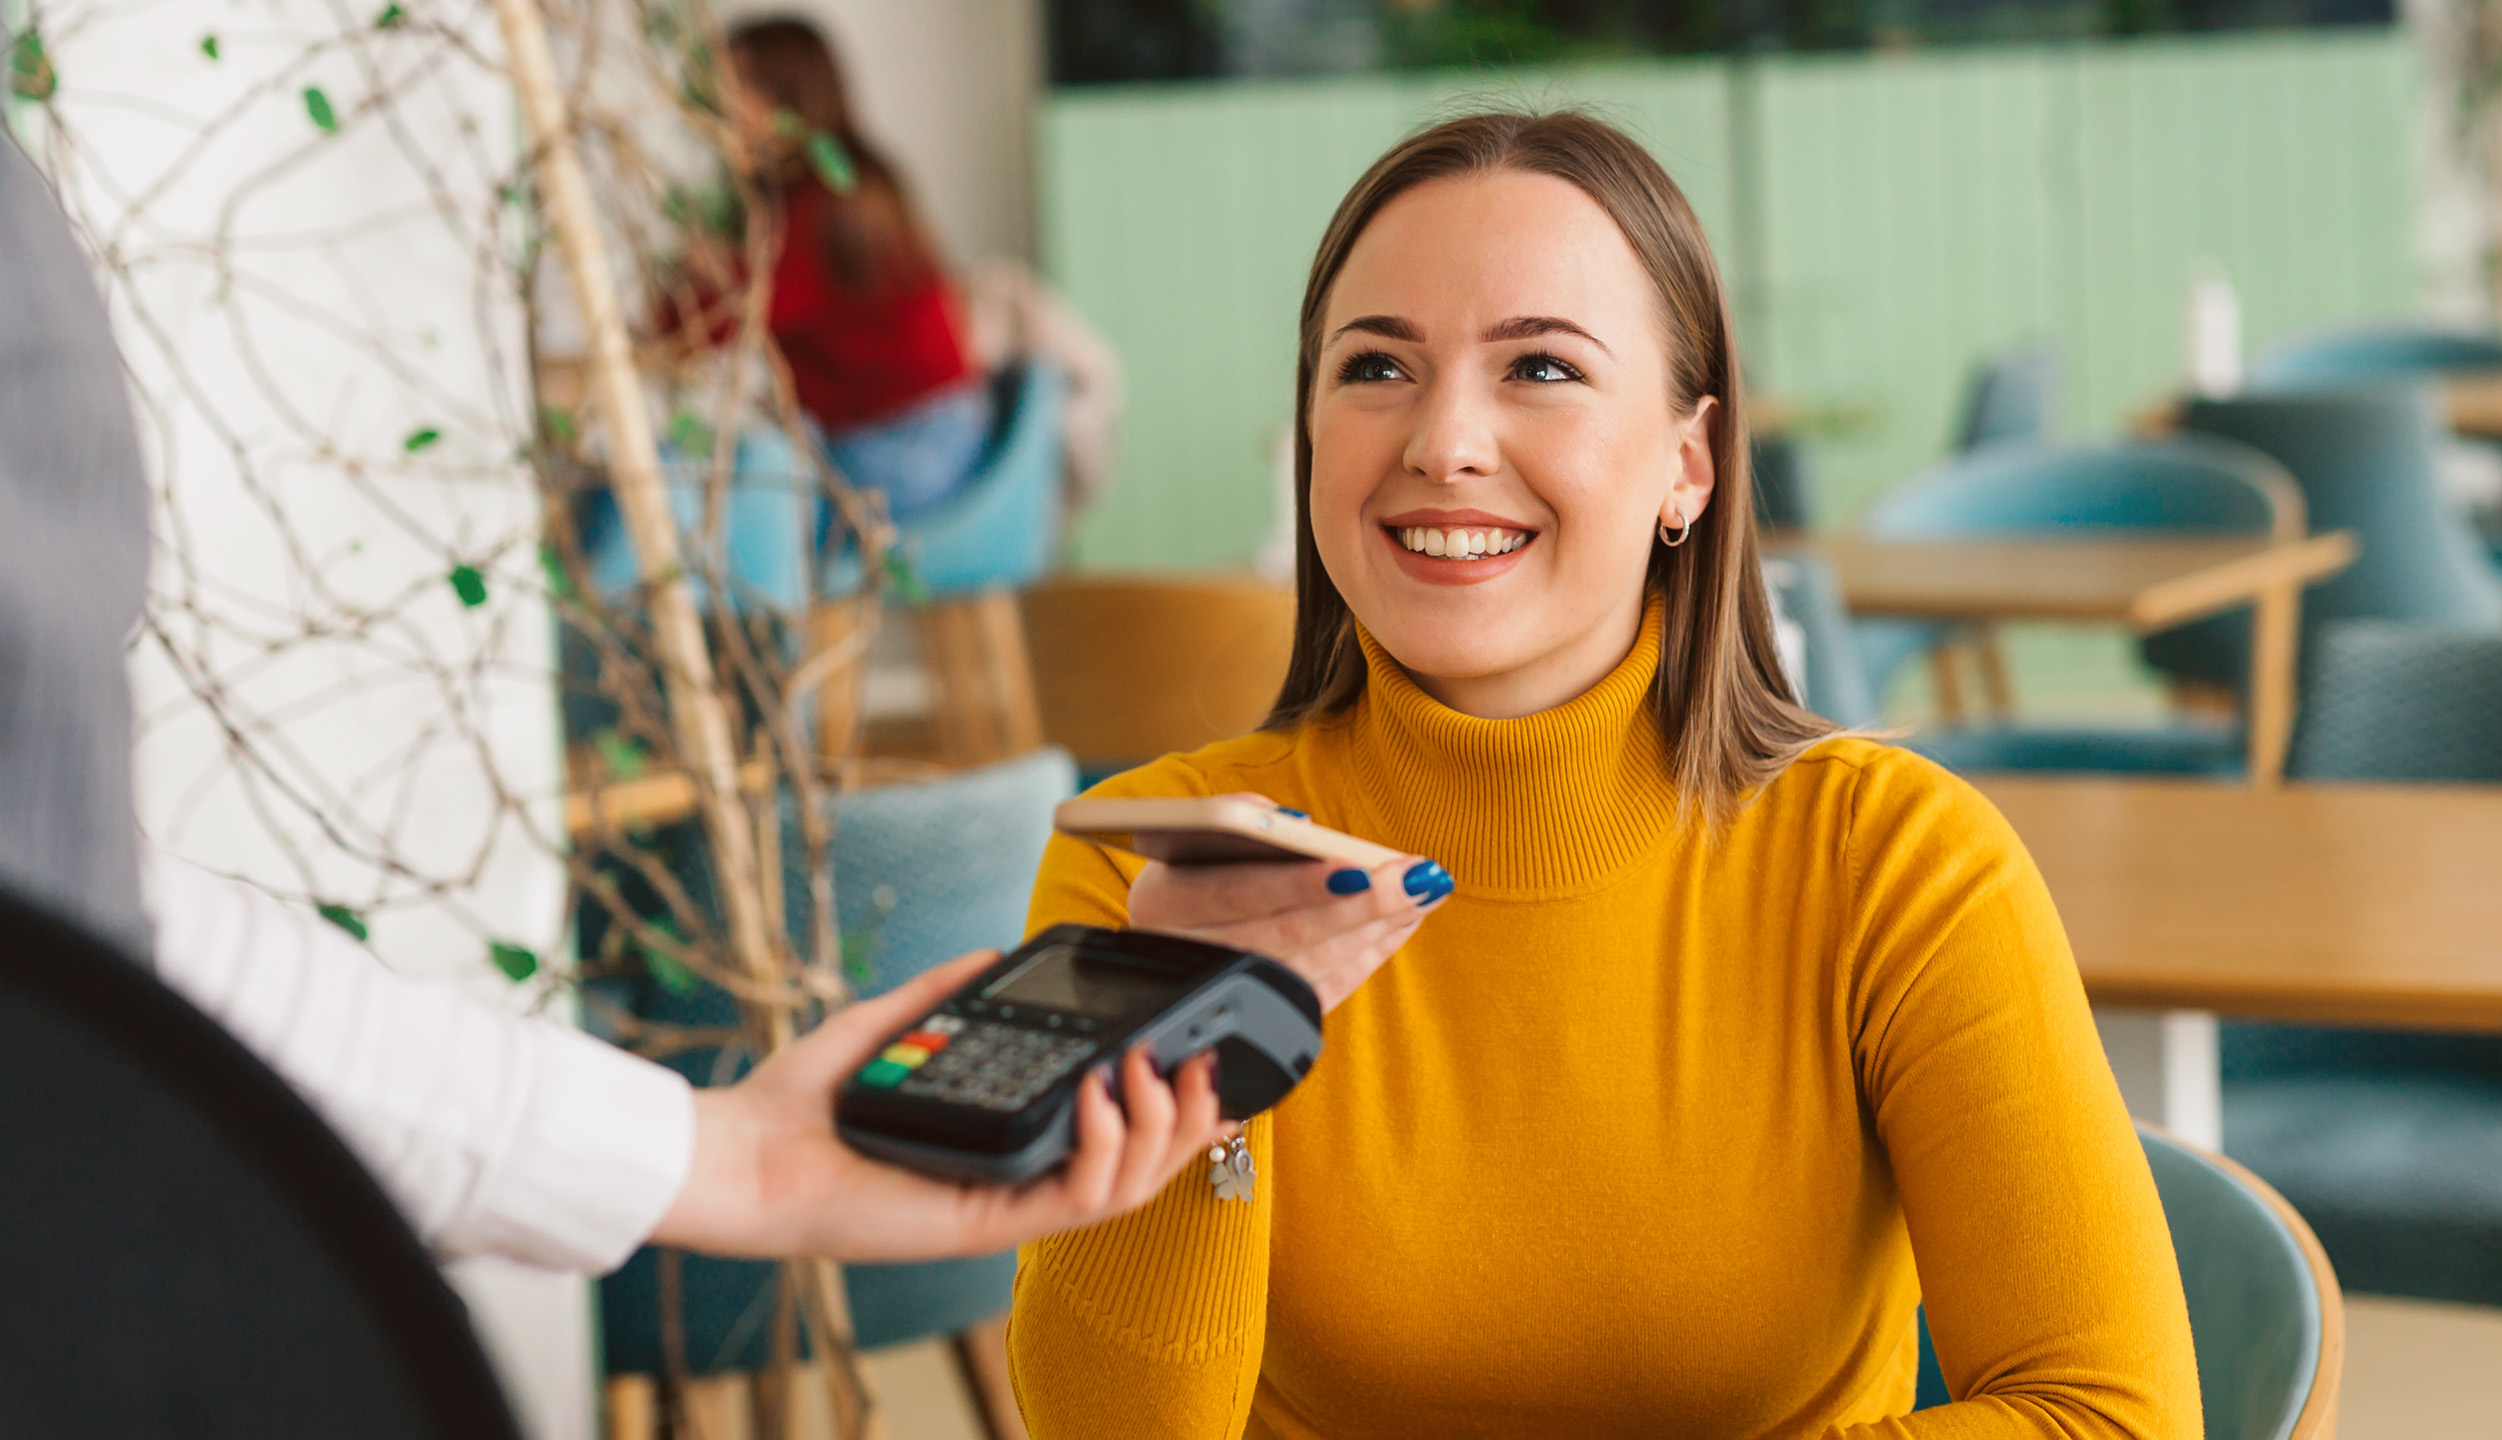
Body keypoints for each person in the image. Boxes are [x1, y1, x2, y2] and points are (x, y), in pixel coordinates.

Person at [1005, 112, 2204, 1436]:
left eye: (1542, 369)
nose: (1443, 440)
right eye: (1376, 368)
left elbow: (2114, 1414)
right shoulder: (1152, 869)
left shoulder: (1895, 863)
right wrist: (1195, 1070)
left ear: (1687, 464)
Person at [0, 126, 1227, 1277]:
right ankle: (738, 694)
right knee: (739, 464)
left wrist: (724, 1158)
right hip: (947, 471)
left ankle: (701, 666)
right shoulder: (837, 193)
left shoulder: (807, 205)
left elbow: (81, 913)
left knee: (733, 466)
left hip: (894, 472)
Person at [669, 17, 994, 529]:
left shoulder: (827, 203)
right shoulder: (844, 182)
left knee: (742, 512)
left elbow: (710, 327)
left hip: (912, 442)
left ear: (787, 97)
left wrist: (696, 275)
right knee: (741, 484)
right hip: (931, 427)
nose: (722, 110)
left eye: (738, 89)